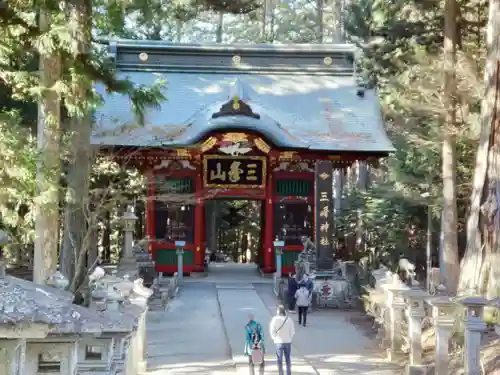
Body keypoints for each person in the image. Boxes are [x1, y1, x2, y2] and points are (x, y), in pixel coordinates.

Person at [269, 305, 295, 375]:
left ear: (278, 311)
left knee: (279, 360)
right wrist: (289, 338)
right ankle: (288, 373)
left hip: (278, 342)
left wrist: (274, 338)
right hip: (287, 342)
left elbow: (272, 330)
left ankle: (281, 373)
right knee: (288, 359)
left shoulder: (275, 319)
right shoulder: (289, 319)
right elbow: (292, 331)